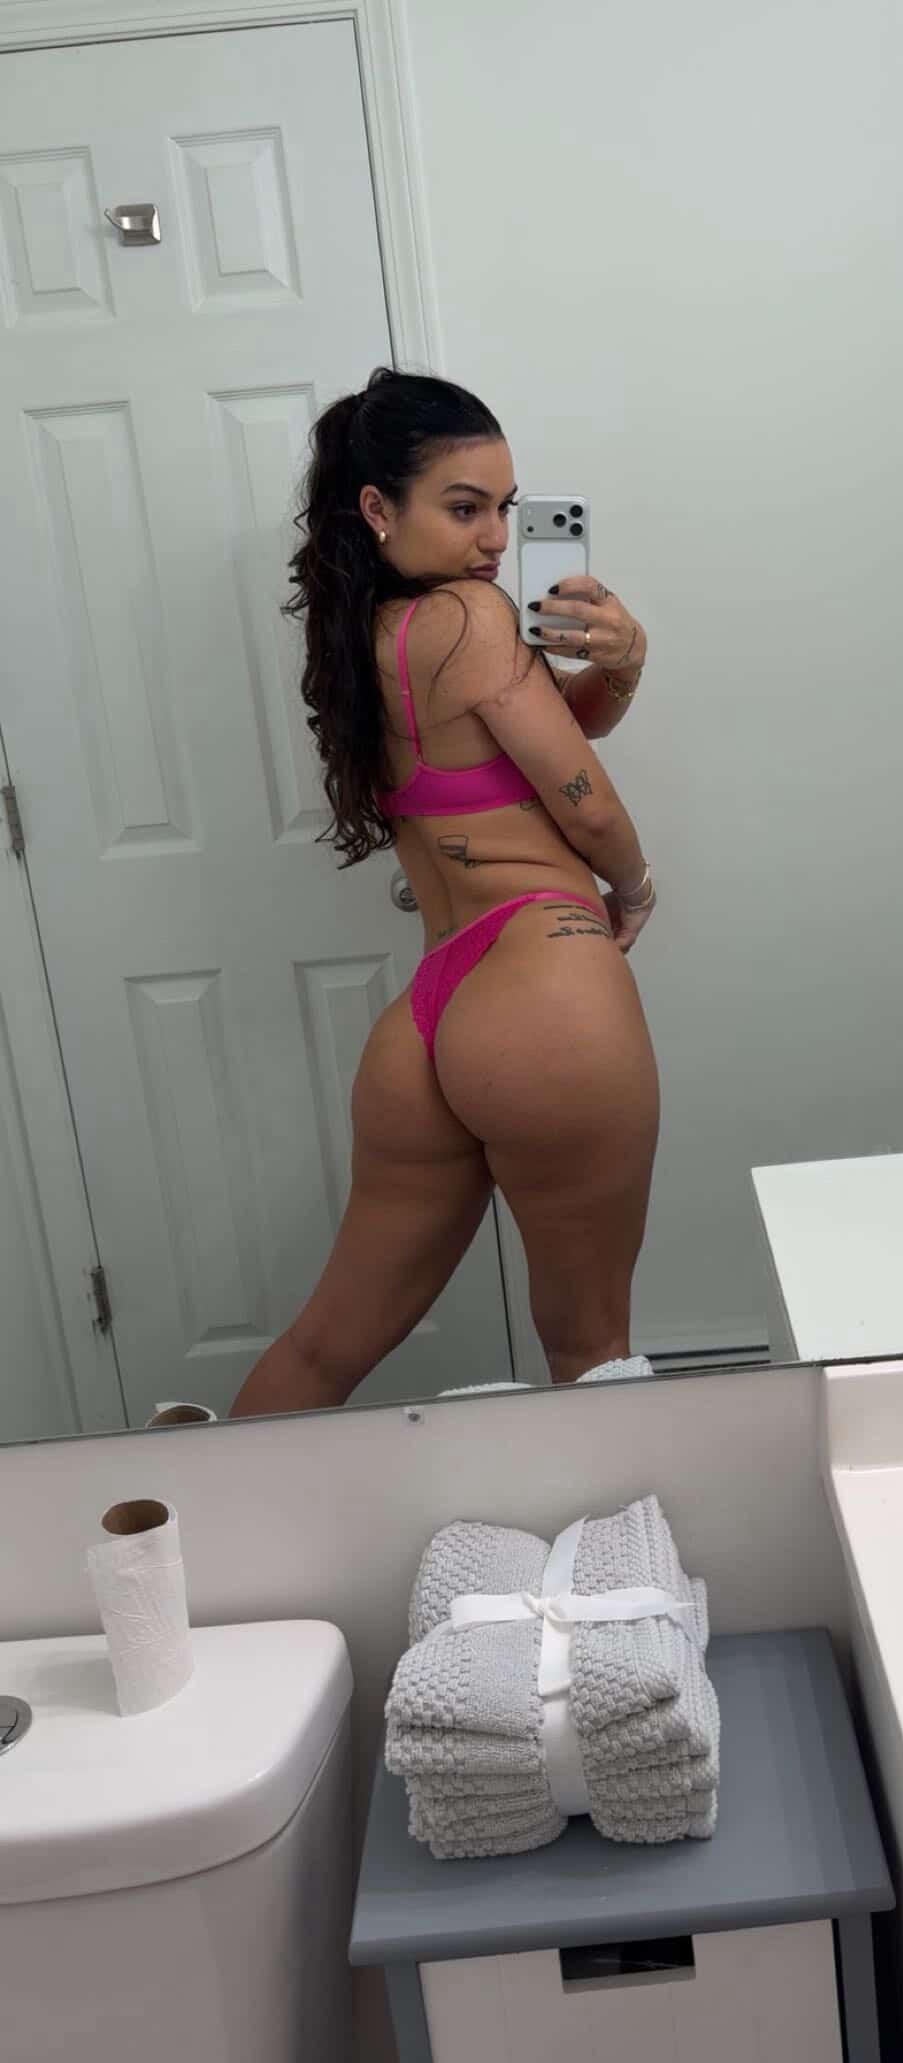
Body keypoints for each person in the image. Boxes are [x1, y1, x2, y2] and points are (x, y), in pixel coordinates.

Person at [230, 368, 658, 1414]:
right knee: (593, 1352)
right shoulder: (472, 617)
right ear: (378, 507)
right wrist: (635, 886)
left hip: (429, 1021)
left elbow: (541, 737)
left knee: (321, 1352)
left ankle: (193, 1513)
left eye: (505, 508)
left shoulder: (372, 633)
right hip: (544, 985)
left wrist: (621, 666)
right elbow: (588, 804)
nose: (497, 539)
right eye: (465, 509)